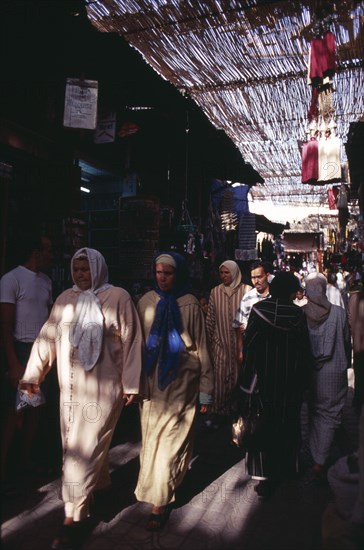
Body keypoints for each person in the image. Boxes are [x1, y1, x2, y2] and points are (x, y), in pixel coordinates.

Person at [18, 248, 143, 549]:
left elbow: (132, 340)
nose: (80, 275)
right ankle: (100, 487)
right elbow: (47, 338)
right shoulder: (65, 299)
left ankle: (72, 517)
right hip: (71, 392)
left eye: (86, 269)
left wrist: (131, 384)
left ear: (98, 268)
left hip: (103, 391)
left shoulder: (118, 298)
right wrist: (33, 375)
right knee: (76, 445)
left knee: (81, 452)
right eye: (76, 269)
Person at [135, 252, 213, 531]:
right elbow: (136, 346)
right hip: (152, 386)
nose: (162, 278)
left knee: (172, 444)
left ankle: (160, 502)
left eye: (168, 273)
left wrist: (206, 389)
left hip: (183, 383)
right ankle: (162, 486)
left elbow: (202, 348)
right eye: (158, 272)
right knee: (152, 443)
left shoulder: (190, 305)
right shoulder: (146, 302)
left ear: (178, 274)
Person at [237, 271, 311, 498]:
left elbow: (249, 348)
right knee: (288, 425)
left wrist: (245, 384)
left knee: (264, 426)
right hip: (290, 384)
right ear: (290, 291)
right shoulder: (298, 315)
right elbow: (304, 351)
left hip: (263, 383)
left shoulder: (259, 311)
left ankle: (265, 477)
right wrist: (303, 382)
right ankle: (288, 469)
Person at [0, 233, 53, 482]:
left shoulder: (46, 282)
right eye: (47, 251)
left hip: (41, 351)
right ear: (36, 252)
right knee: (16, 412)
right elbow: (5, 325)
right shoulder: (11, 279)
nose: (51, 256)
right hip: (21, 350)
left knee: (35, 410)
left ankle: (25, 462)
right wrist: (13, 363)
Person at [303, 272, 351, 480]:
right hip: (335, 373)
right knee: (330, 416)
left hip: (312, 375)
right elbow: (346, 341)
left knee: (315, 413)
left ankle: (317, 457)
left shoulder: (302, 313)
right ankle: (319, 460)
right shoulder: (339, 313)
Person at [205, 260, 251, 424]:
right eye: (222, 273)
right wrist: (208, 345)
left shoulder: (247, 291)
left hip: (241, 346)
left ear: (235, 273)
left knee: (239, 381)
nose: (224, 276)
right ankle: (217, 414)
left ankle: (236, 415)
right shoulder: (215, 292)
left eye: (227, 273)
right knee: (220, 381)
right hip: (220, 344)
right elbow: (210, 320)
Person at [233, 260, 271, 364]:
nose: (256, 281)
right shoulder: (247, 298)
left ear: (267, 276)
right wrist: (240, 351)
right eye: (253, 278)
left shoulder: (275, 295)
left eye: (259, 277)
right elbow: (238, 326)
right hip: (253, 348)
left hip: (272, 347)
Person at [347, 271, 364, 414]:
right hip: (359, 343)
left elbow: (350, 320)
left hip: (358, 344)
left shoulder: (353, 297)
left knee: (359, 372)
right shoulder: (356, 298)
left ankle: (358, 398)